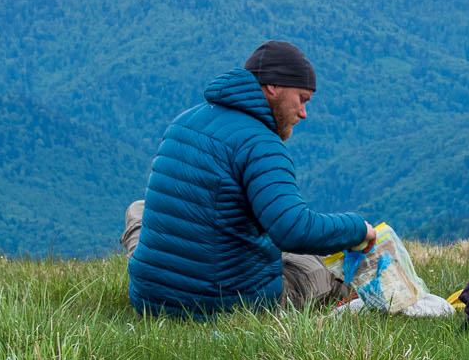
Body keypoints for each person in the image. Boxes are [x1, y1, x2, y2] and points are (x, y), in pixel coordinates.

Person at [124, 40, 375, 316]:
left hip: (150, 299)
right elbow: (292, 230)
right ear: (273, 87)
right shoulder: (261, 144)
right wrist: (357, 229)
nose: (304, 113)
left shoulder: (183, 121)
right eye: (302, 99)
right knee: (324, 267)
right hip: (229, 303)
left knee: (140, 209)